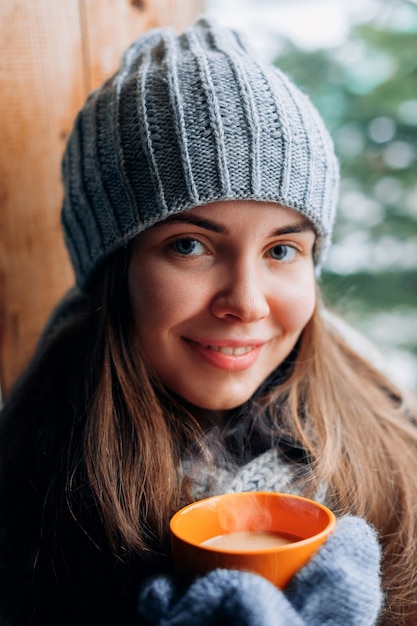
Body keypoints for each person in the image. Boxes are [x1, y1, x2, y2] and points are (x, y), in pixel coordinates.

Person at [0, 16, 416, 626]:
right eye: (189, 246)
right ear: (115, 270)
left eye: (282, 250)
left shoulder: (391, 435)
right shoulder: (32, 484)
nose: (246, 303)